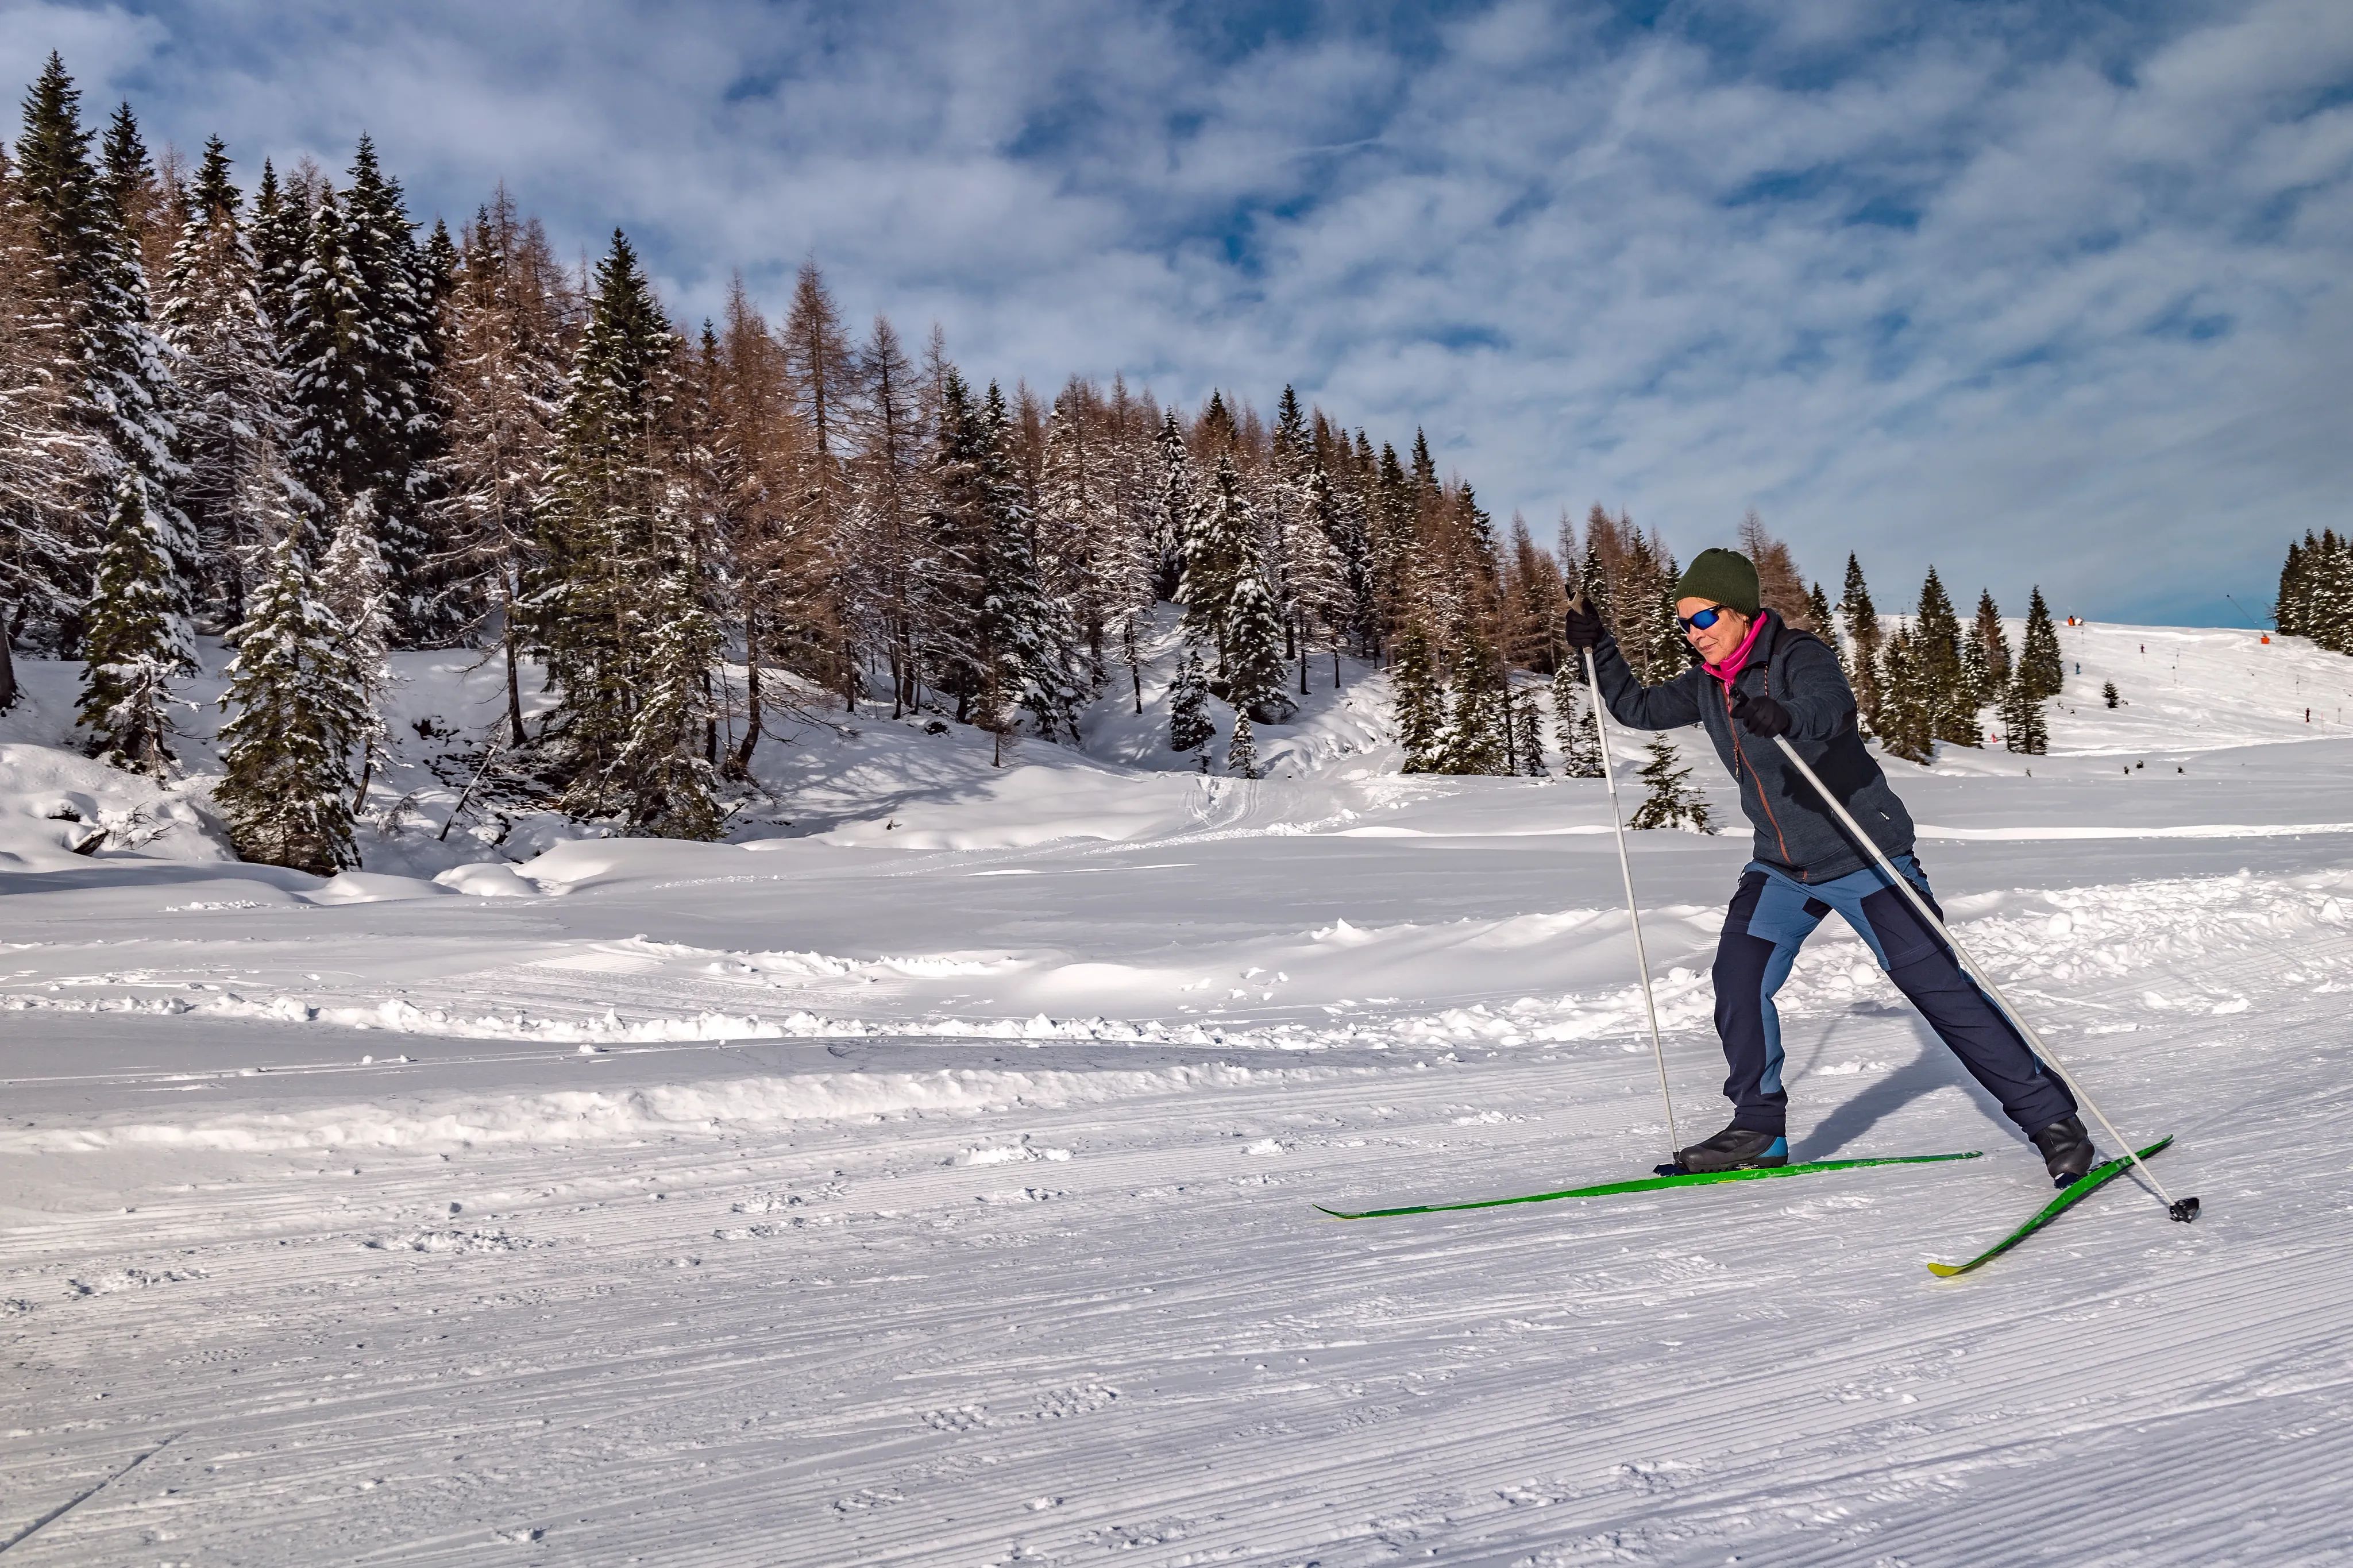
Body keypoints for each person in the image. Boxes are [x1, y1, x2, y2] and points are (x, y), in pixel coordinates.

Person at [1563, 547, 2092, 1185]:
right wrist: (1598, 650)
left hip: (1865, 856)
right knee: (1737, 979)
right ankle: (1757, 1130)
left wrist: (1787, 715)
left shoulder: (1796, 656)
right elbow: (1637, 710)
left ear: (1737, 610)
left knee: (1938, 990)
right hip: (1782, 867)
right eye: (1682, 624)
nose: (1691, 634)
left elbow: (1831, 707)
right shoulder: (1708, 682)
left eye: (1700, 619)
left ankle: (2053, 1121)